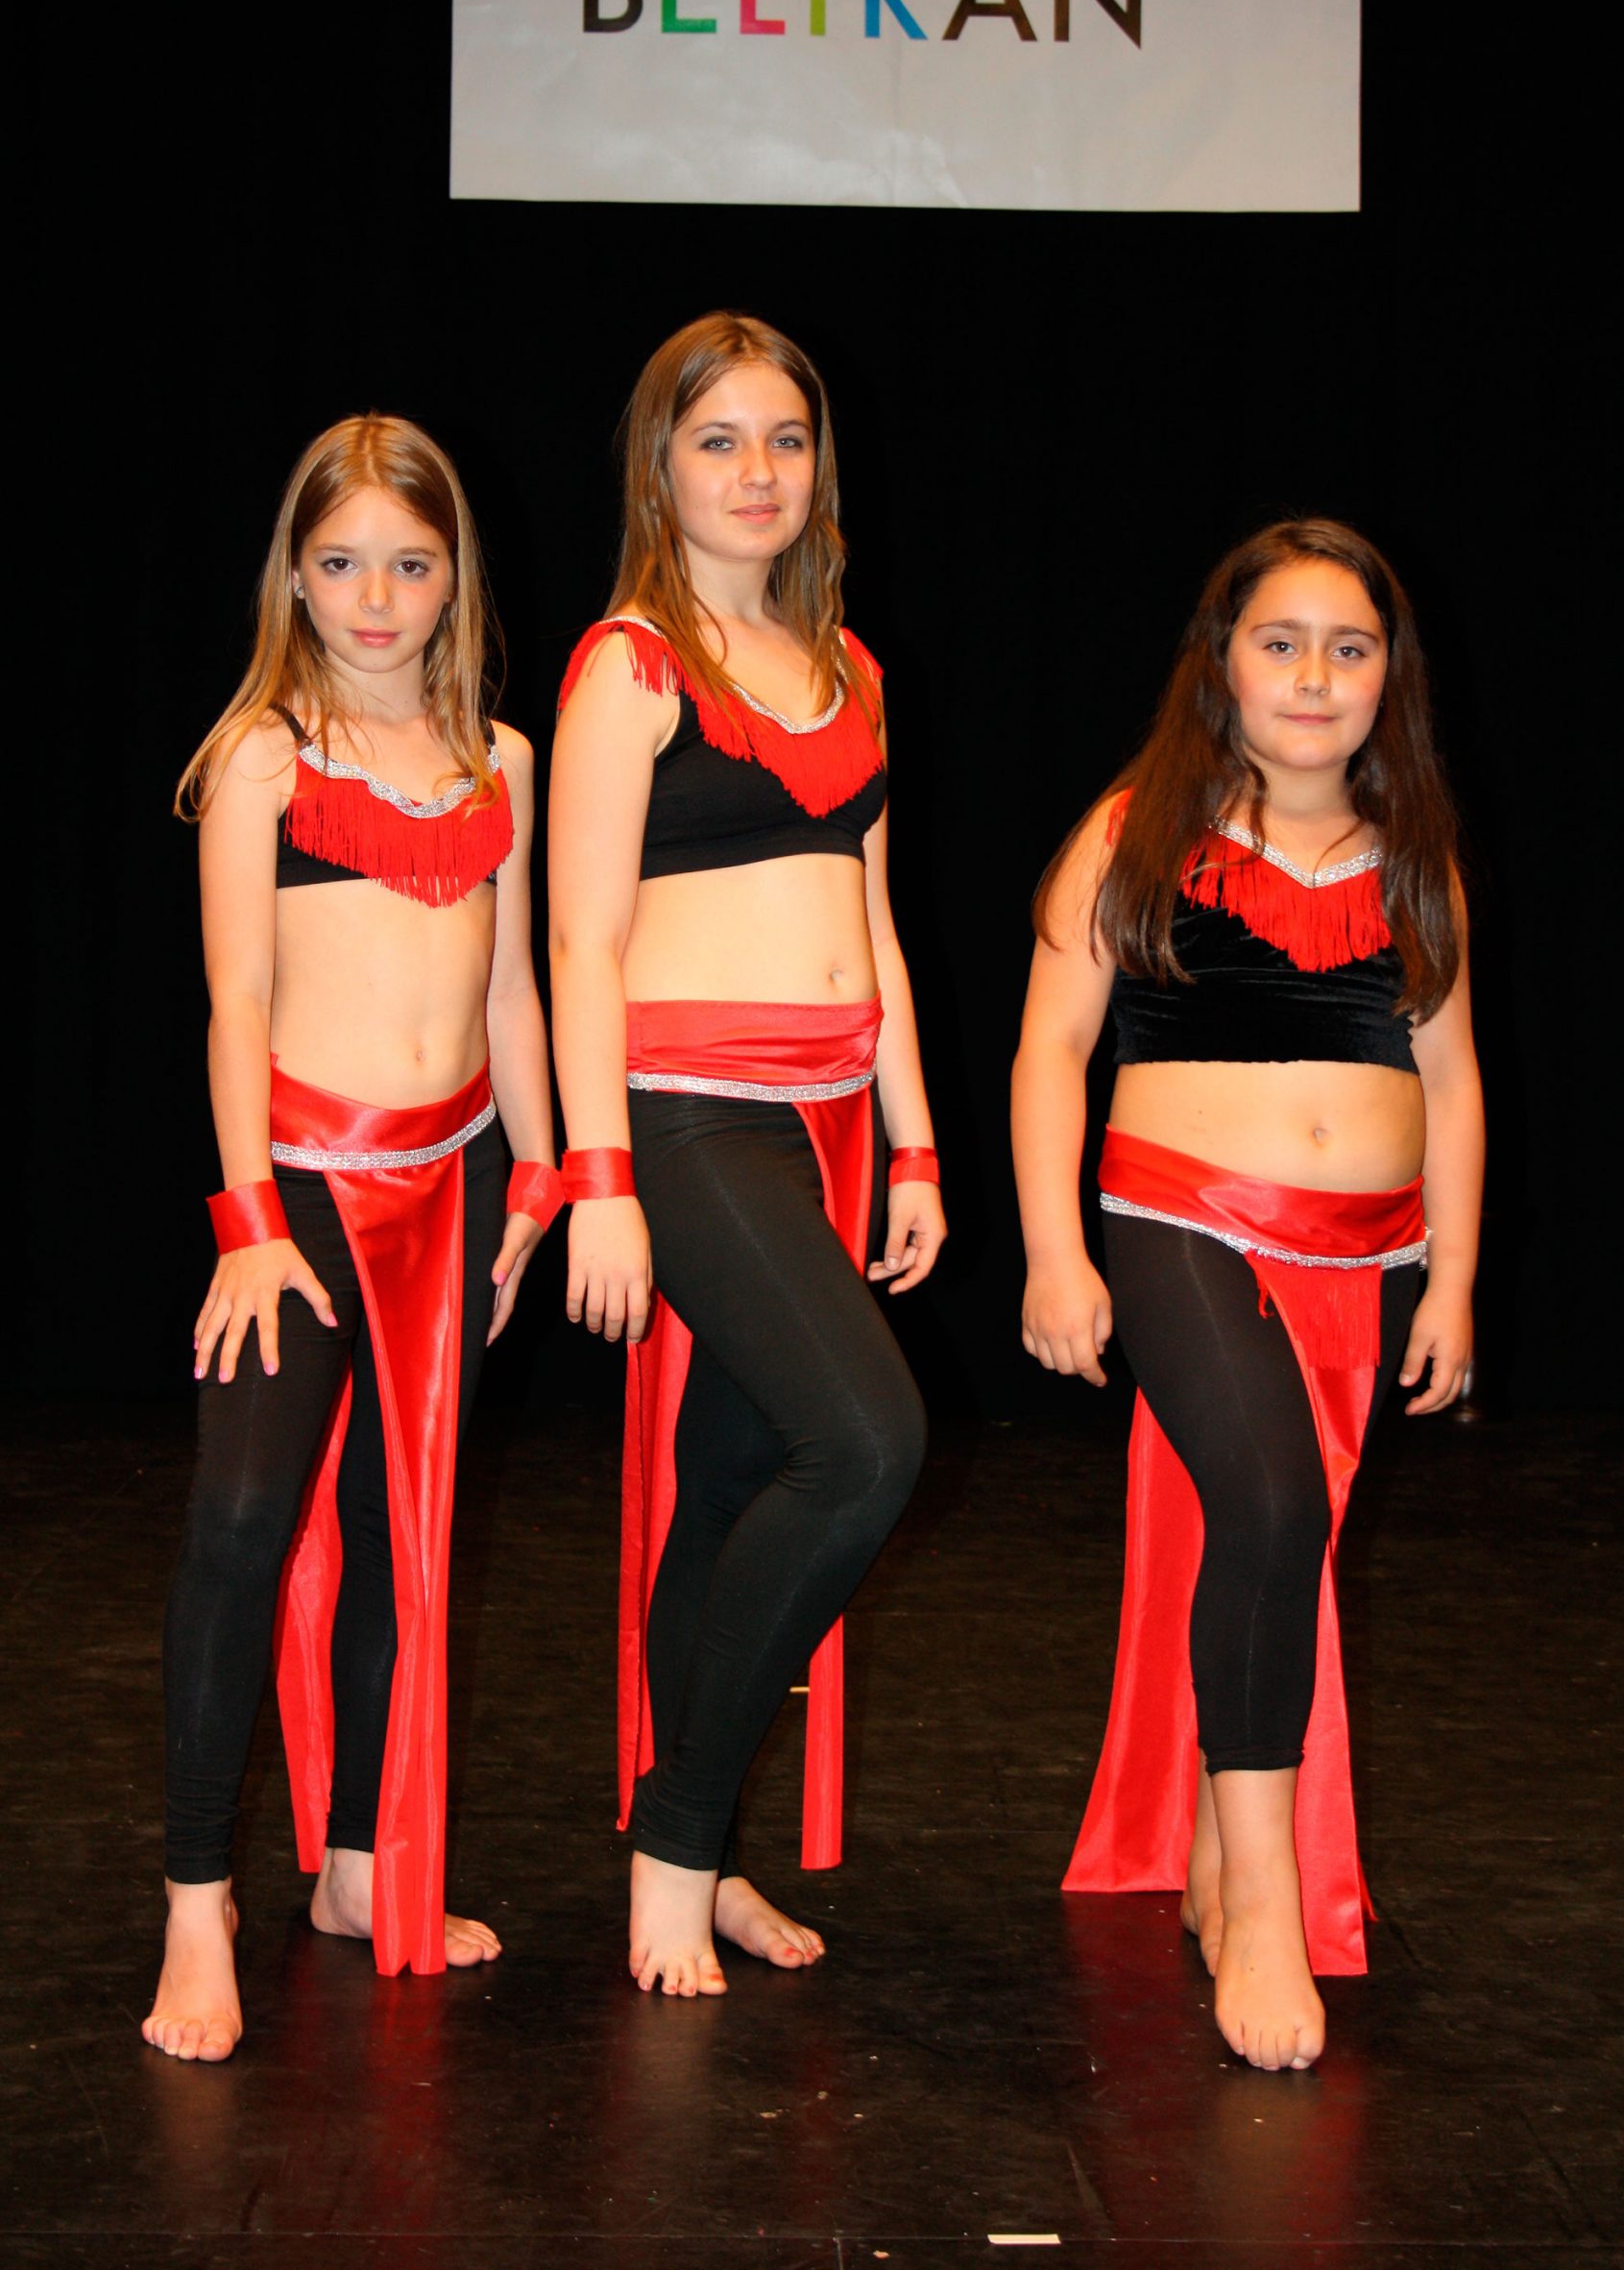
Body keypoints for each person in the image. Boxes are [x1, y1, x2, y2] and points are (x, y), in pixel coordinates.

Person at [1012, 519, 1483, 2072]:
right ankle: (1267, 1900)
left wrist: (1455, 1278)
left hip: (1367, 1254)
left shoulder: (1414, 856)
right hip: (1179, 1222)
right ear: (1223, 664)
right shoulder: (1136, 830)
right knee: (1274, 1508)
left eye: (1351, 649)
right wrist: (1056, 1250)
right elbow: (1051, 1049)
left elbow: (1453, 1078)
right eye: (1282, 643)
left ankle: (1222, 1848)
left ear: (1388, 679)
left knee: (1290, 1537)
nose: (1315, 676)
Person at [145, 415, 561, 2063]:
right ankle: (197, 1902)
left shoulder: (501, 759)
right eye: (340, 564)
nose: (376, 599)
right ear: (293, 576)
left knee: (405, 1535)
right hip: (307, 1189)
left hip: (453, 1187)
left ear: (456, 573)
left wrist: (542, 1178)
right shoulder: (264, 755)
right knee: (244, 1518)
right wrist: (250, 1222)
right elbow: (235, 1002)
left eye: (409, 563)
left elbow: (513, 992)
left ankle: (353, 1866)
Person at [548, 311, 942, 1998]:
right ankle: (679, 1842)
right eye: (719, 439)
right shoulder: (629, 666)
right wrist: (600, 1179)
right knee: (866, 1444)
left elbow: (876, 921)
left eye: (785, 438)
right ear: (662, 466)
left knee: (728, 1483)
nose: (758, 470)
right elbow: (580, 943)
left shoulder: (847, 666)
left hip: (825, 1122)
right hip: (685, 1116)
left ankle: (692, 1859)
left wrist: (916, 1145)